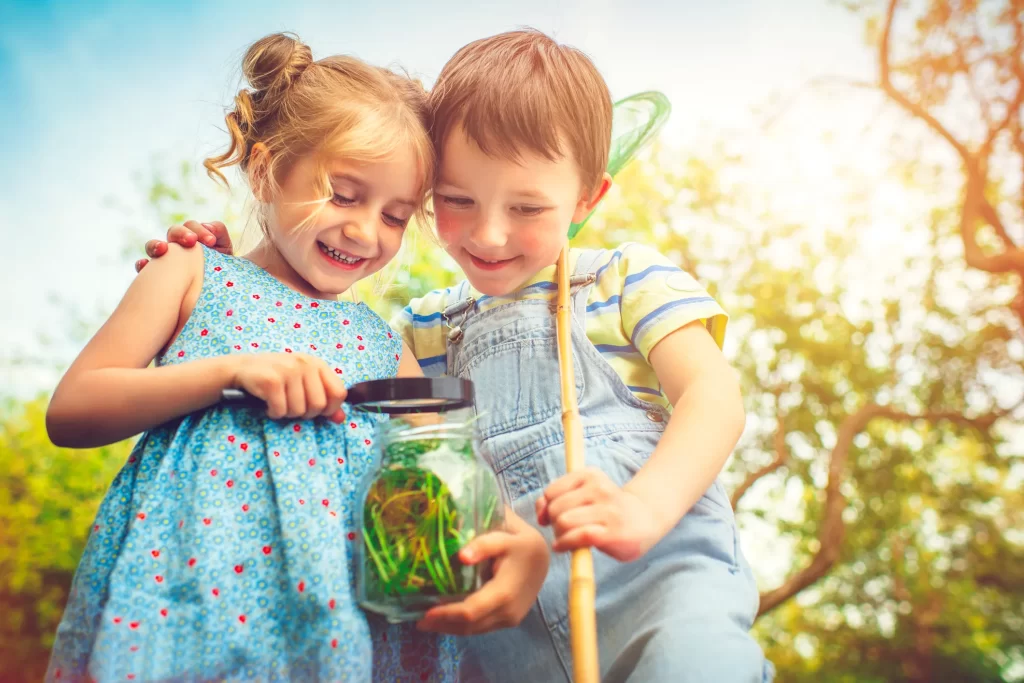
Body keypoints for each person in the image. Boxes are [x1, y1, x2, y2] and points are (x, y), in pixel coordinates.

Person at [140, 28, 772, 683]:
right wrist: (221, 266)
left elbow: (713, 398)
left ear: (589, 199)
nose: (489, 233)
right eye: (457, 201)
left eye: (526, 206)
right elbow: (318, 355)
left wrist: (643, 507)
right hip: (502, 633)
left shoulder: (623, 278)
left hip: (660, 577)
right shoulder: (419, 331)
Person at [46, 32, 548, 683]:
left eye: (395, 216)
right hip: (195, 602)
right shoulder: (195, 273)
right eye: (343, 194)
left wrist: (525, 545)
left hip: (346, 627)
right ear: (266, 169)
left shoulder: (378, 339)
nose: (367, 231)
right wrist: (228, 372)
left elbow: (444, 459)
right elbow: (73, 409)